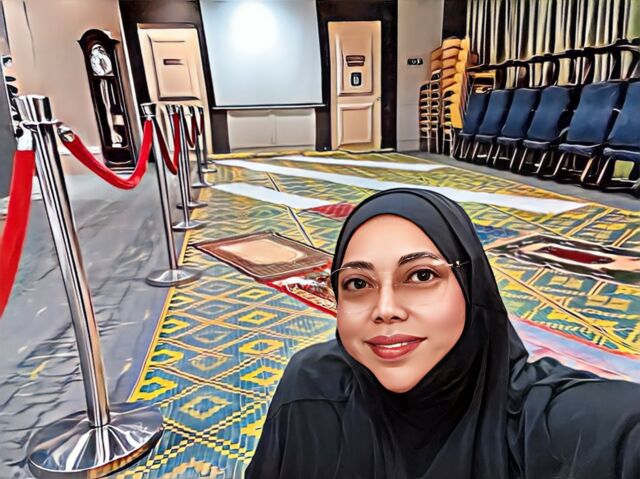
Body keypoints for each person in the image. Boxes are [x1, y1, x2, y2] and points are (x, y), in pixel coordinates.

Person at [244, 188, 640, 479]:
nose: (385, 309)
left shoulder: (544, 421)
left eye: (420, 275)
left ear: (472, 288)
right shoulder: (313, 384)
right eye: (358, 283)